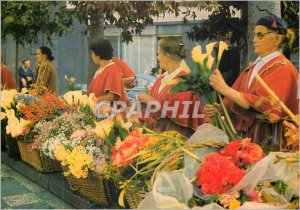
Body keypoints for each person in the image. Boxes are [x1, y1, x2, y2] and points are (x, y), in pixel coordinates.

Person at [204, 14, 298, 152]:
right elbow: (241, 99)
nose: (254, 40)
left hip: (271, 139)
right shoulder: (254, 66)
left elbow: (263, 104)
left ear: (277, 39)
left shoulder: (283, 67)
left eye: (260, 35)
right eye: (254, 35)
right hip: (251, 137)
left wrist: (224, 89)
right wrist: (220, 108)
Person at [137, 38, 203, 138]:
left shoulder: (185, 80)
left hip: (175, 139)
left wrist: (151, 101)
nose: (157, 57)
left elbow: (181, 112)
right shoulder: (162, 79)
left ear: (167, 57)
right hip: (156, 136)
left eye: (158, 54)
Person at [87, 39, 128, 104]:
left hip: (112, 111)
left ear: (98, 55)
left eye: (92, 53)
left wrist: (95, 100)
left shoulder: (113, 69)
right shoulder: (100, 70)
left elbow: (112, 96)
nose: (92, 56)